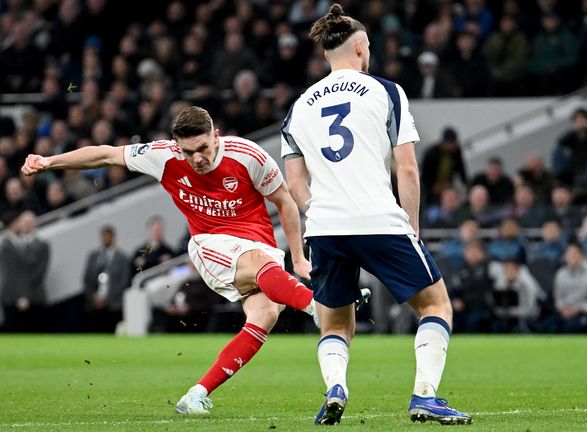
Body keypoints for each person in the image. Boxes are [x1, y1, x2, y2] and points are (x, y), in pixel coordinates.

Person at [21, 106, 369, 415]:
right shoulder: (163, 156)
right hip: (209, 244)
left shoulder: (248, 155)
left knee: (263, 316)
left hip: (260, 245)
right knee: (261, 268)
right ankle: (319, 307)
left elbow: (285, 202)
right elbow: (106, 155)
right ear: (177, 146)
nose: (198, 158)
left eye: (203, 148)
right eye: (189, 152)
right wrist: (50, 161)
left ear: (215, 136)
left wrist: (298, 259)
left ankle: (196, 394)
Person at [280, 4, 471, 425]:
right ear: (362, 46)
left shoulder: (299, 107)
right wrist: (414, 227)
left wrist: (324, 211)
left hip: (326, 228)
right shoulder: (386, 91)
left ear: (326, 54)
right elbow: (406, 167)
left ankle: (336, 388)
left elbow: (295, 185)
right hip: (380, 221)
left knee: (334, 325)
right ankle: (424, 395)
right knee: (436, 305)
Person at [0, 211, 50, 332]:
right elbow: (11, 273)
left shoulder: (43, 245)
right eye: (23, 222)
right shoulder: (12, 244)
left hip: (35, 297)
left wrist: (24, 296)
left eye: (29, 223)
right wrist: (20, 296)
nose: (26, 225)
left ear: (34, 224)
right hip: (14, 299)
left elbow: (38, 273)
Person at [83, 225, 132, 333]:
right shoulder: (93, 256)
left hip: (113, 305)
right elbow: (87, 279)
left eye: (108, 236)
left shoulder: (123, 258)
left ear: (113, 237)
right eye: (104, 236)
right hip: (94, 304)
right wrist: (93, 298)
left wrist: (106, 299)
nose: (106, 239)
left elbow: (124, 282)